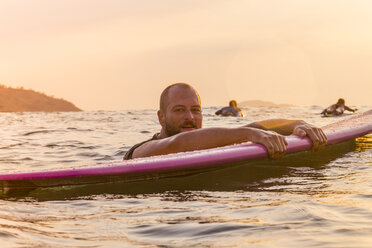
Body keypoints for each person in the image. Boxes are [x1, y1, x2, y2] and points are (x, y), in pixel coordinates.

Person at [124, 83, 327, 160]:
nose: (190, 117)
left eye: (196, 110)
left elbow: (256, 126)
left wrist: (296, 124)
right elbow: (177, 145)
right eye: (179, 110)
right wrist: (249, 135)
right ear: (161, 117)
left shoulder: (207, 142)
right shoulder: (141, 151)